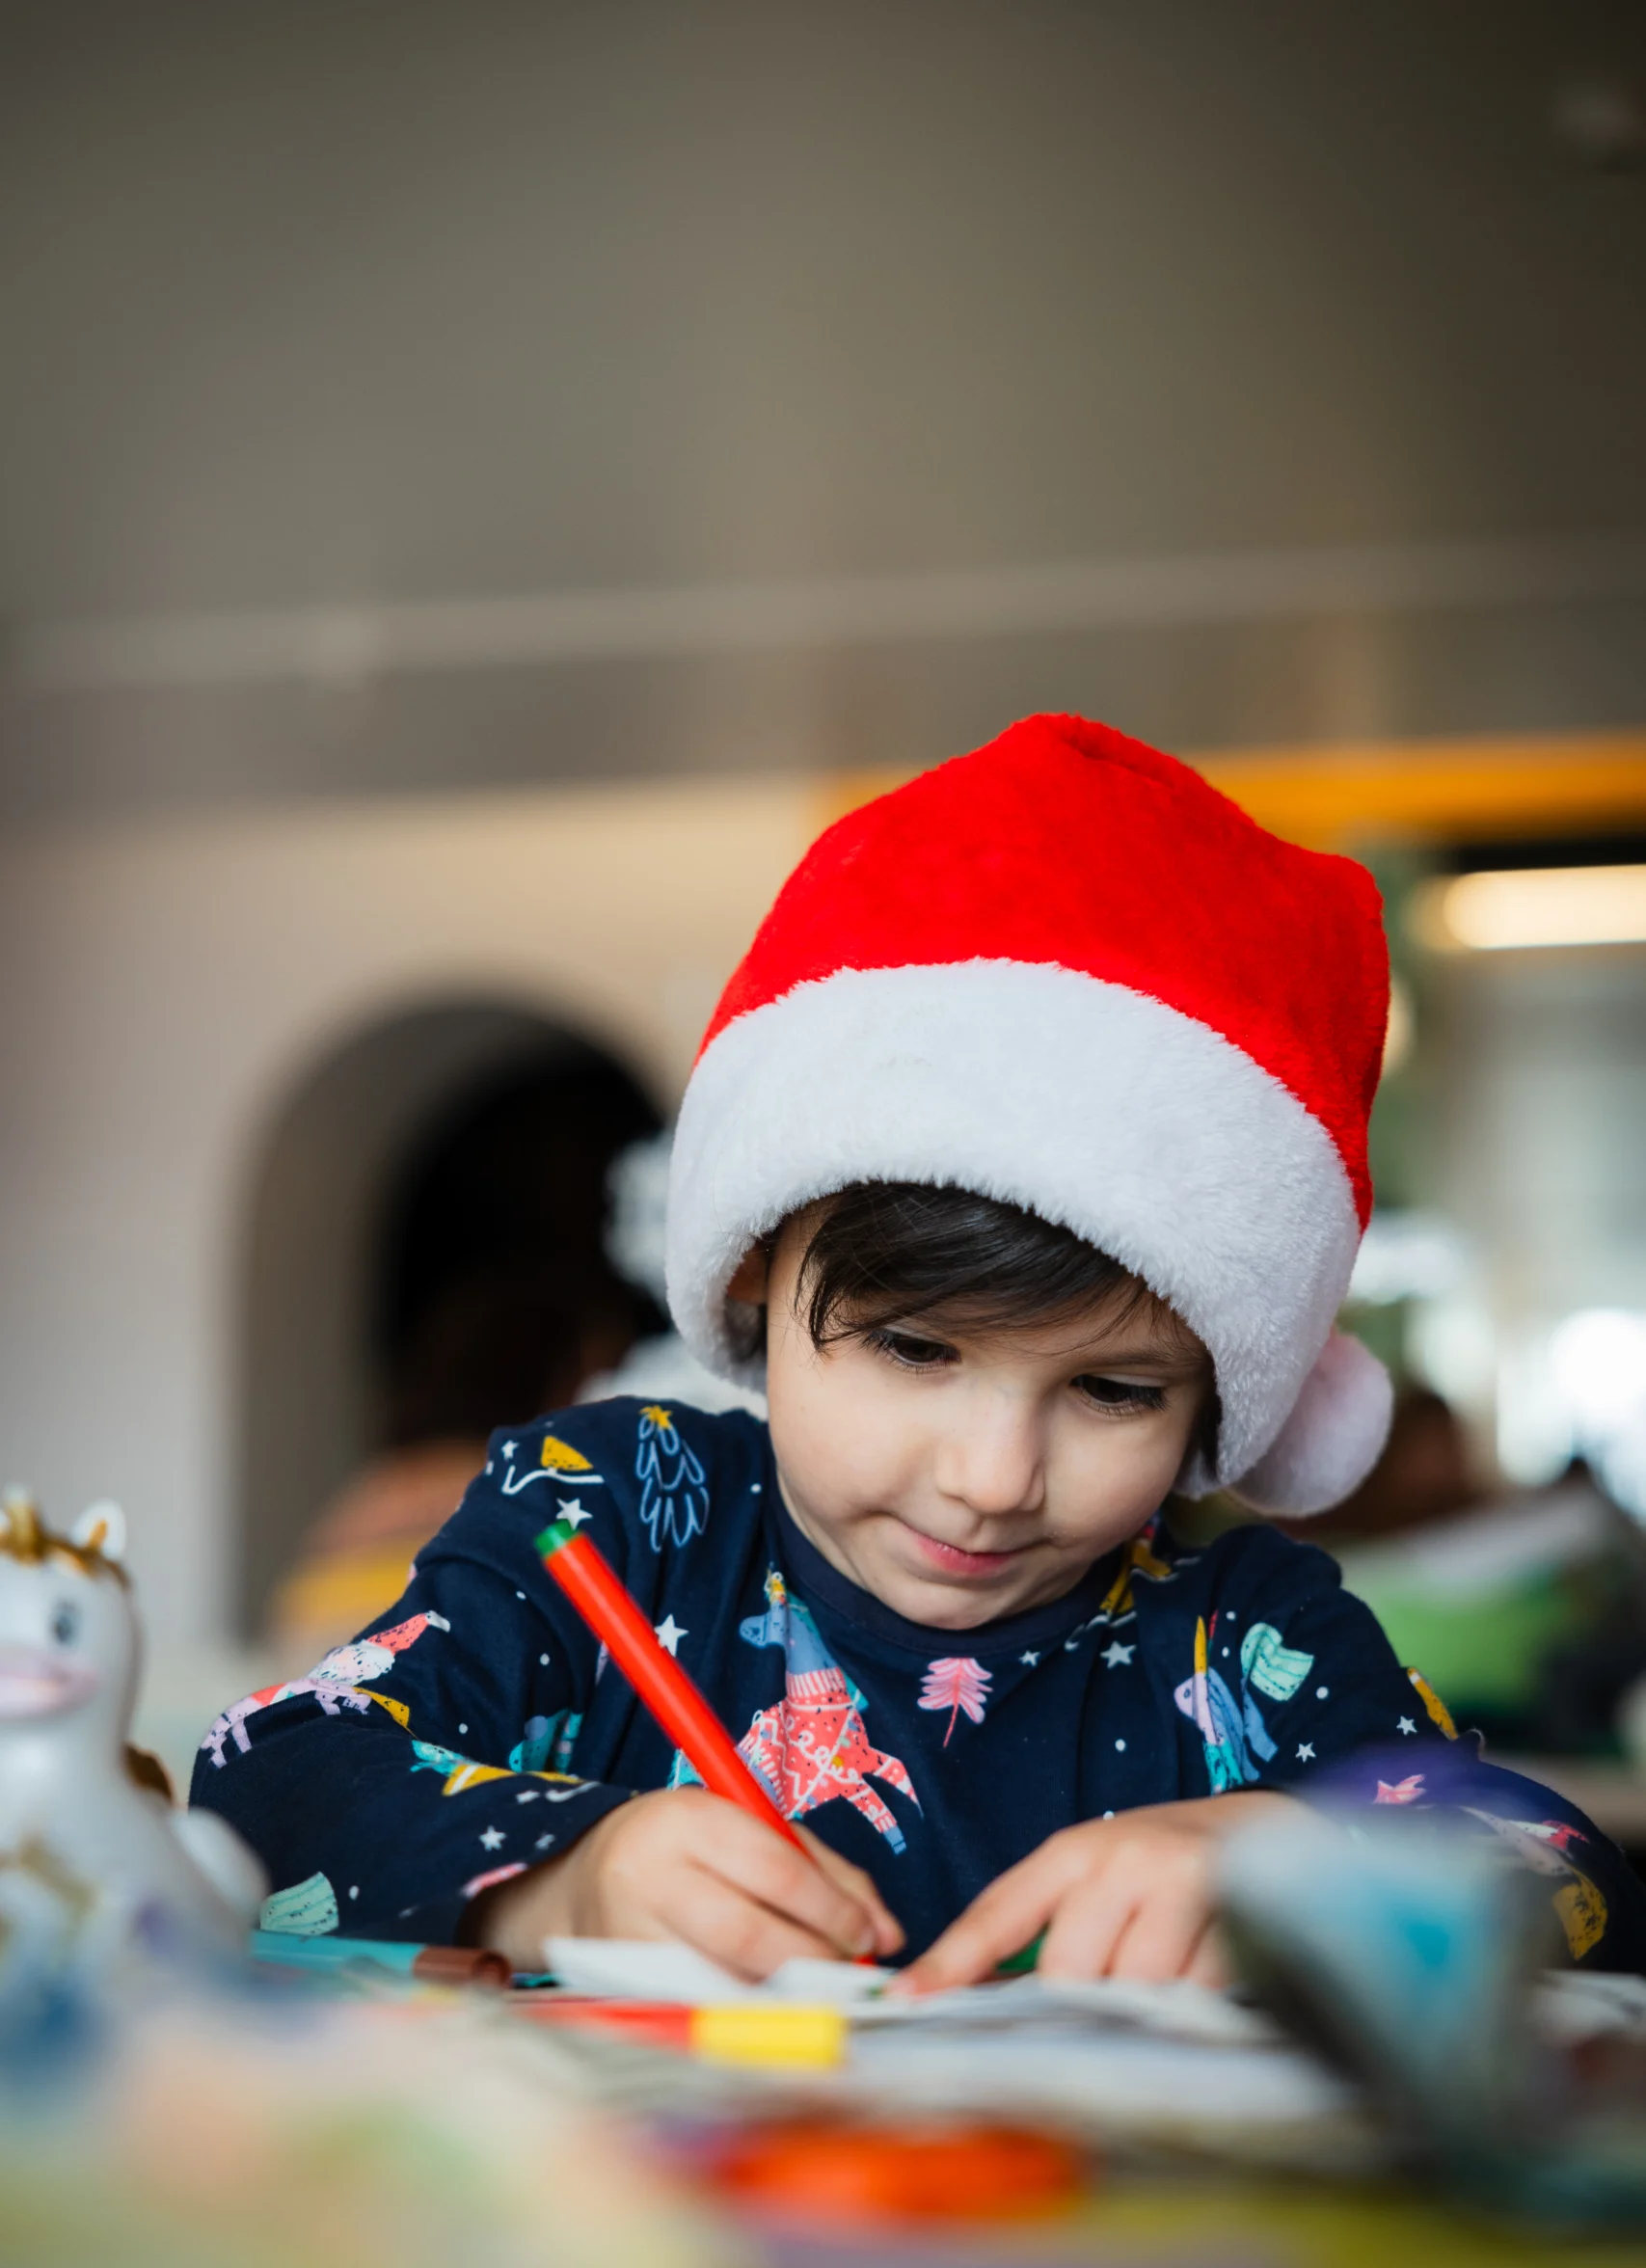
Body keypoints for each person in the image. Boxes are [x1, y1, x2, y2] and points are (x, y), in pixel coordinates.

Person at [194, 716, 1646, 1982]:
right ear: (759, 1265)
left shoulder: (1238, 1634)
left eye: (1112, 1388)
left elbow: (1571, 1876)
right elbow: (260, 1784)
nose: (992, 1479)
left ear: (1226, 1390)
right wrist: (560, 1880)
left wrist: (1287, 1861)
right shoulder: (610, 1515)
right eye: (914, 1351)